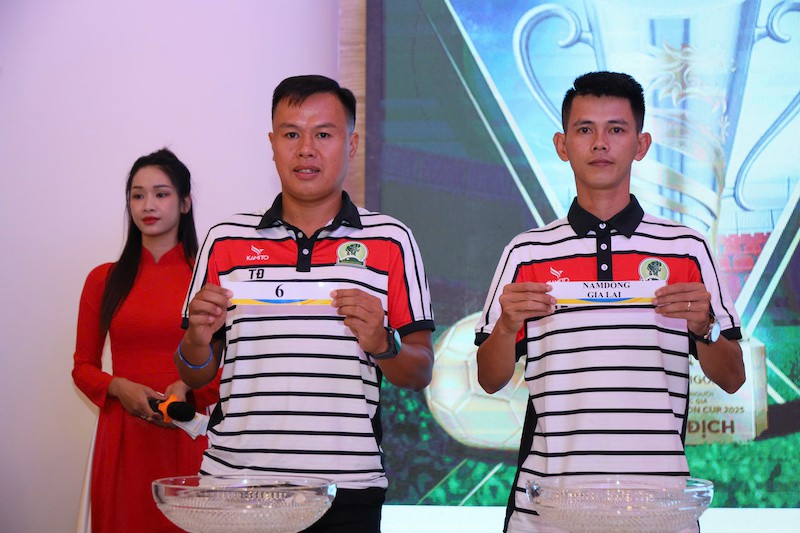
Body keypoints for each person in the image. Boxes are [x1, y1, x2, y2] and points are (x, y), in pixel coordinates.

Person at [475, 71, 746, 533]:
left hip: (659, 510)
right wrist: (504, 328)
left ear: (641, 145)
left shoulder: (686, 248)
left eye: (616, 129)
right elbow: (488, 378)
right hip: (548, 513)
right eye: (585, 129)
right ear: (562, 145)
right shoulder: (527, 252)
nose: (600, 143)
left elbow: (733, 378)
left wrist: (707, 328)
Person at [174, 74, 435, 532]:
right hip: (235, 484)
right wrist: (197, 339)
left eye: (324, 135)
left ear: (351, 145)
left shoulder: (391, 240)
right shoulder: (225, 240)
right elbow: (194, 373)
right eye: (291, 134)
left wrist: (383, 343)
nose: (306, 149)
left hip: (346, 490)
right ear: (273, 144)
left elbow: (420, 373)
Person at [72, 148, 220, 532]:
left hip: (190, 434)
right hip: (122, 436)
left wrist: (188, 387)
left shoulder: (209, 280)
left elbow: (232, 366)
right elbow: (82, 367)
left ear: (185, 203)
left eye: (161, 193)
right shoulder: (103, 280)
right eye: (137, 195)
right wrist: (118, 387)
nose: (148, 205)